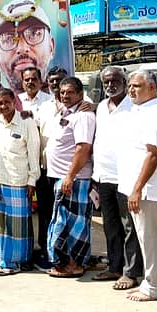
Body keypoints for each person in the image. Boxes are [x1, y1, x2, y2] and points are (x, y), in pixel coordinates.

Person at [117, 70, 157, 302]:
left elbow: (153, 154)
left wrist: (138, 188)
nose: (131, 90)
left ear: (152, 88)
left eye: (137, 86)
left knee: (151, 239)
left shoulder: (155, 114)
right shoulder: (140, 111)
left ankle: (153, 286)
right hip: (136, 186)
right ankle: (150, 282)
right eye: (130, 85)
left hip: (148, 189)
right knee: (144, 237)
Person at [91, 66, 143, 289]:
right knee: (110, 226)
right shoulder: (102, 106)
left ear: (125, 81)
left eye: (115, 81)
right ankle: (114, 267)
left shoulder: (135, 108)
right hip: (104, 176)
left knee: (129, 226)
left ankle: (131, 273)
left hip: (126, 177)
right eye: (106, 82)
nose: (110, 85)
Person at [0, 88, 40, 275]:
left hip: (18, 180)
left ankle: (17, 262)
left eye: (7, 102)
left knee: (17, 225)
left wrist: (32, 180)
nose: (3, 106)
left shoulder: (26, 122)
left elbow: (34, 154)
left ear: (14, 101)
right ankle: (1, 259)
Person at [45, 77, 96, 278]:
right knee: (63, 223)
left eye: (70, 92)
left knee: (74, 225)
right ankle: (67, 261)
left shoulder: (83, 116)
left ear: (80, 94)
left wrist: (70, 176)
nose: (65, 96)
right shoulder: (64, 112)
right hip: (60, 177)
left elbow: (83, 149)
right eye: (63, 92)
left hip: (74, 180)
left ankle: (75, 264)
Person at [31, 66, 69, 269]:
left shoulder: (81, 104)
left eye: (60, 80)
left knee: (66, 213)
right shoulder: (44, 106)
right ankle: (46, 251)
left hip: (68, 172)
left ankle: (66, 254)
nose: (56, 83)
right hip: (45, 168)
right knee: (45, 212)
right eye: (52, 80)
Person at [0, 0, 56, 94]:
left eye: (34, 34)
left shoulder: (66, 103)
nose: (22, 48)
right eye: (9, 39)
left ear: (51, 47)